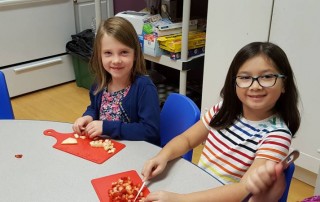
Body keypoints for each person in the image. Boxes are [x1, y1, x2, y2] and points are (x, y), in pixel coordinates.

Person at [141, 41, 300, 201]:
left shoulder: (277, 135)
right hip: (196, 190)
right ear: (234, 82)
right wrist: (162, 156)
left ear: (284, 84)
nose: (255, 86)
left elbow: (243, 190)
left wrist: (181, 199)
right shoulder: (223, 109)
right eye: (245, 77)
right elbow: (187, 139)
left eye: (267, 77)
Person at [72, 17, 160, 146]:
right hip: (106, 150)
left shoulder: (144, 88)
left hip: (136, 153)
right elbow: (94, 108)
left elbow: (150, 131)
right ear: (99, 55)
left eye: (124, 52)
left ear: (135, 54)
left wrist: (107, 127)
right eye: (108, 53)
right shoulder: (100, 84)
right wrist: (88, 116)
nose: (116, 60)